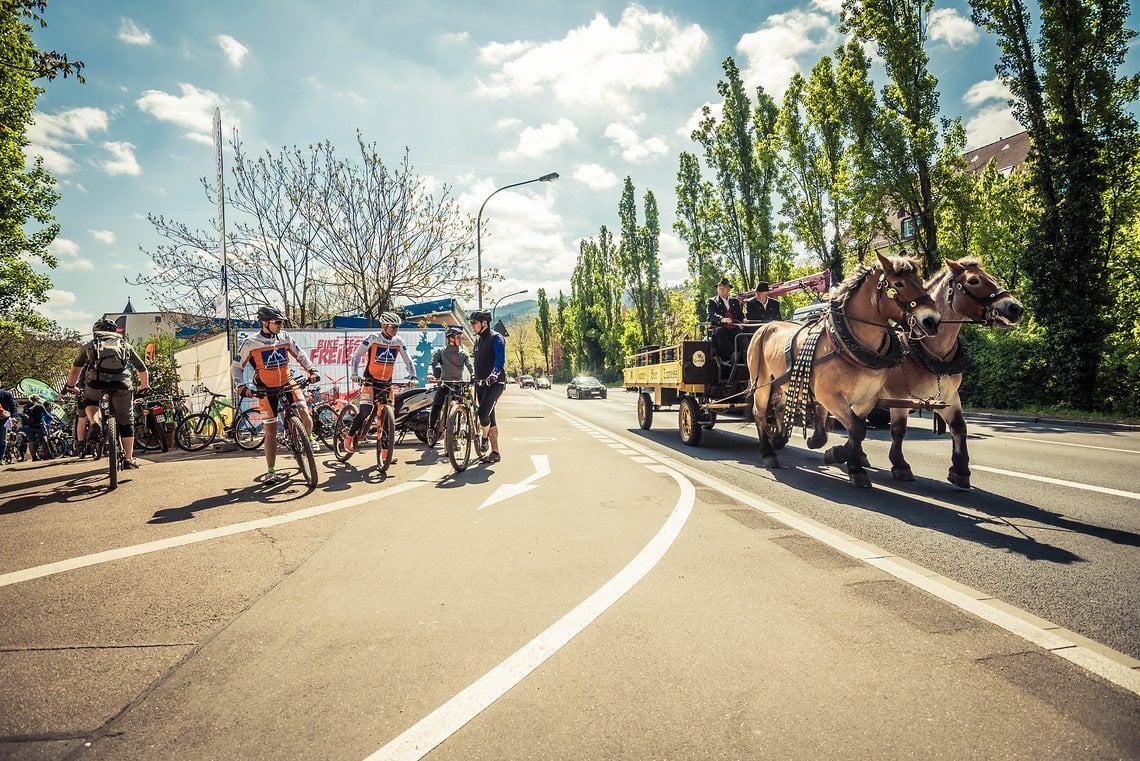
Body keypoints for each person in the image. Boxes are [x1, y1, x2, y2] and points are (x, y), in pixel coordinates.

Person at [231, 306, 320, 483]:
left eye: (282, 322)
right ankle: (271, 471)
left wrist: (312, 370)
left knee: (303, 408)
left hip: (287, 383)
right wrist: (241, 385)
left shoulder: (285, 336)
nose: (281, 325)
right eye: (277, 322)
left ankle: (309, 438)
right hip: (266, 389)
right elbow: (236, 367)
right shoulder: (251, 342)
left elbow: (300, 354)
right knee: (270, 429)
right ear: (265, 323)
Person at [64, 319, 150, 469]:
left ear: (95, 331)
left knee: (90, 400)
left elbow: (76, 369)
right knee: (126, 420)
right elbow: (141, 368)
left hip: (95, 382)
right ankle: (129, 459)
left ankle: (95, 422)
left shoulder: (91, 345)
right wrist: (144, 385)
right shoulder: (124, 345)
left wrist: (70, 386)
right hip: (121, 383)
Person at [342, 311, 417, 454]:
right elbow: (357, 355)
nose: (396, 330)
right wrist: (354, 374)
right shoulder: (373, 338)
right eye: (393, 327)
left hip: (386, 383)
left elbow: (408, 359)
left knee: (388, 418)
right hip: (370, 380)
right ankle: (349, 436)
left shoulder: (398, 341)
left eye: (397, 327)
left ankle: (385, 453)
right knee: (365, 411)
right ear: (383, 326)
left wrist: (413, 376)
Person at [426, 326, 474, 444]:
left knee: (460, 408)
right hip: (445, 384)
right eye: (458, 337)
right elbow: (432, 364)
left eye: (461, 338)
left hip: (458, 385)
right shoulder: (441, 352)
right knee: (437, 404)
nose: (461, 340)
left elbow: (470, 365)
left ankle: (455, 436)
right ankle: (431, 428)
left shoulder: (463, 353)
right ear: (450, 339)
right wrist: (430, 374)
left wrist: (473, 374)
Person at [470, 309, 506, 463]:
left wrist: (494, 374)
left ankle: (484, 437)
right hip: (480, 384)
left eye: (474, 323)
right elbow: (478, 363)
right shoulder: (478, 342)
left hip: (495, 383)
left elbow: (499, 360)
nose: (472, 326)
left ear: (484, 323)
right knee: (490, 417)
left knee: (483, 413)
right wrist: (473, 376)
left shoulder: (496, 338)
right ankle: (495, 452)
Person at [706, 277, 744, 362]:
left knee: (742, 334)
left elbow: (740, 315)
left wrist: (743, 320)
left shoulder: (735, 301)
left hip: (733, 327)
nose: (721, 290)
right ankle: (731, 354)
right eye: (720, 288)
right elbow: (711, 315)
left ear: (728, 289)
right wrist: (722, 319)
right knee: (720, 331)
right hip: (719, 327)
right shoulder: (712, 301)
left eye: (724, 288)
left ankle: (745, 355)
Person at [0, 387, 15, 464]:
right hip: (4, 419)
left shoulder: (6, 394)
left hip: (4, 419)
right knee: (3, 439)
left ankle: (1, 458)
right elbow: (12, 406)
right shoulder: (6, 393)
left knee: (3, 439)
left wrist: (13, 417)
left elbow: (12, 406)